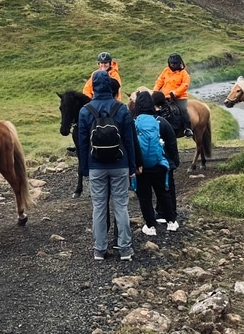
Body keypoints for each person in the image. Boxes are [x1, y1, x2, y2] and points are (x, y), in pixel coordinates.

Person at [77, 70, 136, 261]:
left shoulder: (85, 111)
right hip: (120, 165)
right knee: (121, 206)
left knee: (99, 207)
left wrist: (85, 169)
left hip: (96, 166)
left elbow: (83, 144)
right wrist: (132, 167)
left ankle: (99, 250)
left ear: (93, 87)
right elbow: (129, 141)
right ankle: (125, 249)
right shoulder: (122, 109)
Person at [131, 91, 180, 236]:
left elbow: (130, 145)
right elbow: (172, 144)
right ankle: (171, 222)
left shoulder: (133, 123)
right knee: (164, 193)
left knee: (144, 196)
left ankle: (150, 226)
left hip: (141, 168)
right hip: (160, 165)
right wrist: (173, 163)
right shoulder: (161, 122)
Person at [153, 53, 195, 138]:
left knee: (183, 110)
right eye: (171, 63)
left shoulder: (184, 73)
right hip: (165, 96)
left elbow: (185, 85)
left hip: (180, 97)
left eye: (175, 63)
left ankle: (187, 128)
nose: (172, 65)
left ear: (179, 63)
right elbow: (159, 81)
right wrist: (155, 91)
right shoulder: (166, 70)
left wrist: (175, 92)